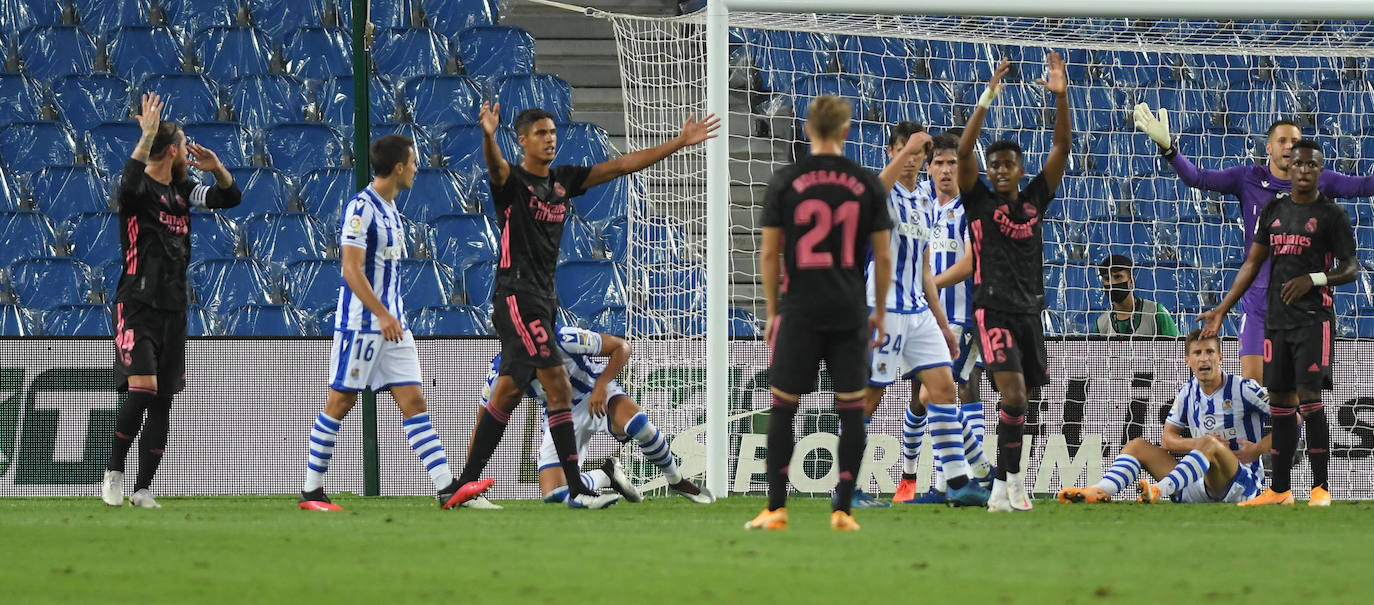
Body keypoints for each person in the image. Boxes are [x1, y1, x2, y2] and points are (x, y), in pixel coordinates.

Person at [453, 102, 718, 509]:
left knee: (506, 393)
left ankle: (464, 486)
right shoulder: (513, 182)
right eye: (540, 133)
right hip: (517, 296)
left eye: (552, 131)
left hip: (544, 300)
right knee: (556, 385)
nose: (550, 138)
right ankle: (577, 486)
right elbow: (496, 168)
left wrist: (680, 142)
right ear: (521, 140)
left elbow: (621, 166)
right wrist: (489, 136)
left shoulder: (563, 181)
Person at [297, 135, 490, 511]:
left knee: (414, 400)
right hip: (363, 325)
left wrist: (391, 315)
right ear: (399, 167)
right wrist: (381, 313)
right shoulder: (361, 209)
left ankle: (447, 489)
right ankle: (311, 491)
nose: (418, 168)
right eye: (413, 162)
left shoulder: (391, 210)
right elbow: (351, 271)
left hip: (394, 325)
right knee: (341, 400)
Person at [1134, 107, 1374, 385]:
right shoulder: (1247, 178)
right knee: (1254, 389)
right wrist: (1169, 149)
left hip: (1303, 304)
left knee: (1292, 397)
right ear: (1269, 147)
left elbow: (1365, 186)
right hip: (1257, 302)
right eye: (1282, 141)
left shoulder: (1321, 180)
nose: (1289, 146)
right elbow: (1197, 178)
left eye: (1295, 142)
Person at [745, 95, 893, 532]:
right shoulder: (867, 183)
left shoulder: (785, 181)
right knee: (851, 409)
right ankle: (843, 511)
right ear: (846, 132)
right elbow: (883, 258)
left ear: (807, 130)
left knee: (783, 409)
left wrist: (773, 311)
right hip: (849, 309)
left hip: (800, 310)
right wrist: (879, 310)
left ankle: (776, 508)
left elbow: (770, 253)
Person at [1199, 140, 1359, 507]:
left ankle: (1320, 489)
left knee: (1310, 401)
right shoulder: (1273, 209)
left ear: (1320, 169)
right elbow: (1252, 264)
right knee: (1281, 404)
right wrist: (1223, 309)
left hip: (1313, 321)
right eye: (1297, 163)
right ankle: (1280, 490)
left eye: (1311, 164)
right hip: (1276, 322)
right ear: (1289, 168)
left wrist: (1315, 279)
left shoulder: (1332, 215)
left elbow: (1351, 268)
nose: (1303, 169)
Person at [101, 93, 242, 508]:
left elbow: (228, 199)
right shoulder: (139, 189)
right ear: (169, 151)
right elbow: (127, 181)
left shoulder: (183, 190)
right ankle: (113, 473)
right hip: (136, 304)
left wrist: (218, 171)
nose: (188, 151)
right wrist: (146, 136)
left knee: (163, 399)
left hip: (174, 309)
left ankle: (143, 489)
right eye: (183, 145)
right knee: (142, 391)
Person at [956, 52, 1072, 512]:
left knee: (1024, 403)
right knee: (1015, 394)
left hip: (1030, 312)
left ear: (1020, 169)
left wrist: (1062, 98)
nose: (999, 169)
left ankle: (1009, 484)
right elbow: (963, 151)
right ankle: (1007, 488)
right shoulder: (978, 200)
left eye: (1008, 164)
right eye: (994, 164)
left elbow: (1061, 149)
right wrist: (987, 95)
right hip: (993, 310)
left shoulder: (1034, 201)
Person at [859, 123, 989, 509]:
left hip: (919, 311)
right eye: (904, 151)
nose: (912, 159)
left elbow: (925, 268)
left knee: (945, 390)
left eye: (918, 153)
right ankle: (846, 486)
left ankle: (958, 482)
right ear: (891, 153)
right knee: (871, 396)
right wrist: (910, 147)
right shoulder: (882, 193)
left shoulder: (924, 202)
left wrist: (942, 323)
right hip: (883, 307)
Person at [477, 325, 715, 506]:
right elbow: (483, 421)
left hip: (595, 393)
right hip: (558, 416)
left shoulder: (562, 337)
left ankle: (676, 480)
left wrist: (602, 384)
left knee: (641, 426)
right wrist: (470, 476)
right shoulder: (500, 371)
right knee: (555, 496)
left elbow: (621, 347)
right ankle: (606, 475)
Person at [1057, 329, 1270, 504]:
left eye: (1210, 352)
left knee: (1210, 444)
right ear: (1188, 360)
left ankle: (1159, 490)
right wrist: (1199, 443)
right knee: (1136, 446)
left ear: (1220, 357)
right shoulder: (1188, 392)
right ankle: (1100, 491)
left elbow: (1292, 419)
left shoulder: (1244, 389)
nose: (1204, 358)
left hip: (1240, 485)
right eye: (1197, 353)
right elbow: (1167, 439)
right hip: (1197, 485)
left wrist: (1257, 449)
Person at [905, 132, 995, 505]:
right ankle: (975, 477)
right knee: (927, 396)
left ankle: (953, 484)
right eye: (939, 163)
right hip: (924, 318)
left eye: (953, 163)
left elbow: (974, 262)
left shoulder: (972, 206)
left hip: (963, 317)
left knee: (938, 394)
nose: (946, 170)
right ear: (929, 167)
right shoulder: (921, 204)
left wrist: (930, 283)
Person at [1092, 255, 1179, 337]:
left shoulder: (1155, 312)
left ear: (1131, 282)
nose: (1112, 283)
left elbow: (1177, 350)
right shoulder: (1101, 324)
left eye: (1118, 277)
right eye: (1107, 279)